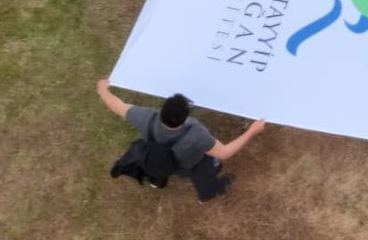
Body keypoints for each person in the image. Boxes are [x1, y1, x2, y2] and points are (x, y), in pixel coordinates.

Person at [99, 79, 266, 202]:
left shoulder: (146, 117)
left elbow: (117, 106)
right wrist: (252, 131)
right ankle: (208, 193)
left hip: (154, 155)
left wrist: (102, 90)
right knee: (206, 170)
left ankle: (158, 181)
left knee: (158, 167)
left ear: (161, 110)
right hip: (187, 165)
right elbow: (224, 152)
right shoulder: (195, 133)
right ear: (184, 118)